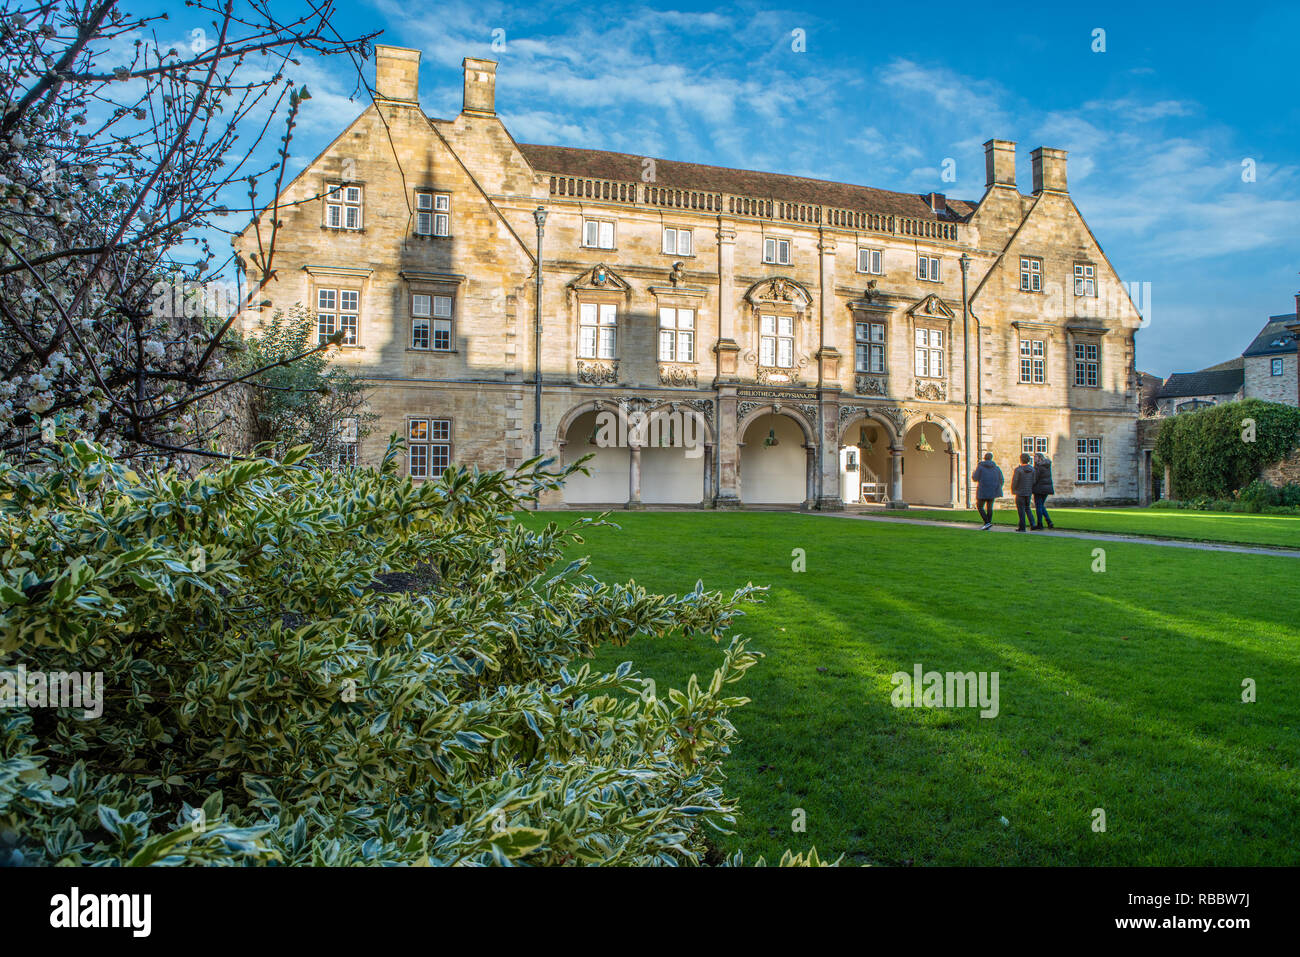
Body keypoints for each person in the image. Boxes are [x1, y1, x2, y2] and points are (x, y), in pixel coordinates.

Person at [970, 452, 1003, 530]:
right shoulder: (996, 468)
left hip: (982, 490)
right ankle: (987, 523)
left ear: (985, 458)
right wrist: (997, 487)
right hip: (992, 490)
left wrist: (974, 472)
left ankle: (987, 522)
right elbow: (1001, 480)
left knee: (980, 506)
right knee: (989, 508)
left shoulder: (980, 467)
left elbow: (975, 478)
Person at [1011, 453, 1037, 532]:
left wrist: (1013, 489)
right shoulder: (1032, 469)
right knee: (1027, 508)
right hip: (1028, 491)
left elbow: (1015, 481)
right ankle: (1032, 524)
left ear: (1021, 459)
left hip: (1020, 492)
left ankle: (1022, 527)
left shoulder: (1018, 470)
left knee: (1021, 510)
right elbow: (1034, 481)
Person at [1032, 452, 1055, 530]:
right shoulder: (1047, 466)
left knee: (1039, 506)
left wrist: (1031, 486)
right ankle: (1049, 521)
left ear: (1039, 458)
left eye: (1035, 457)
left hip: (1039, 489)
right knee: (1041, 505)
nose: (1034, 458)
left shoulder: (1038, 467)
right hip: (1046, 488)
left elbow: (1035, 479)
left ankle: (1040, 524)